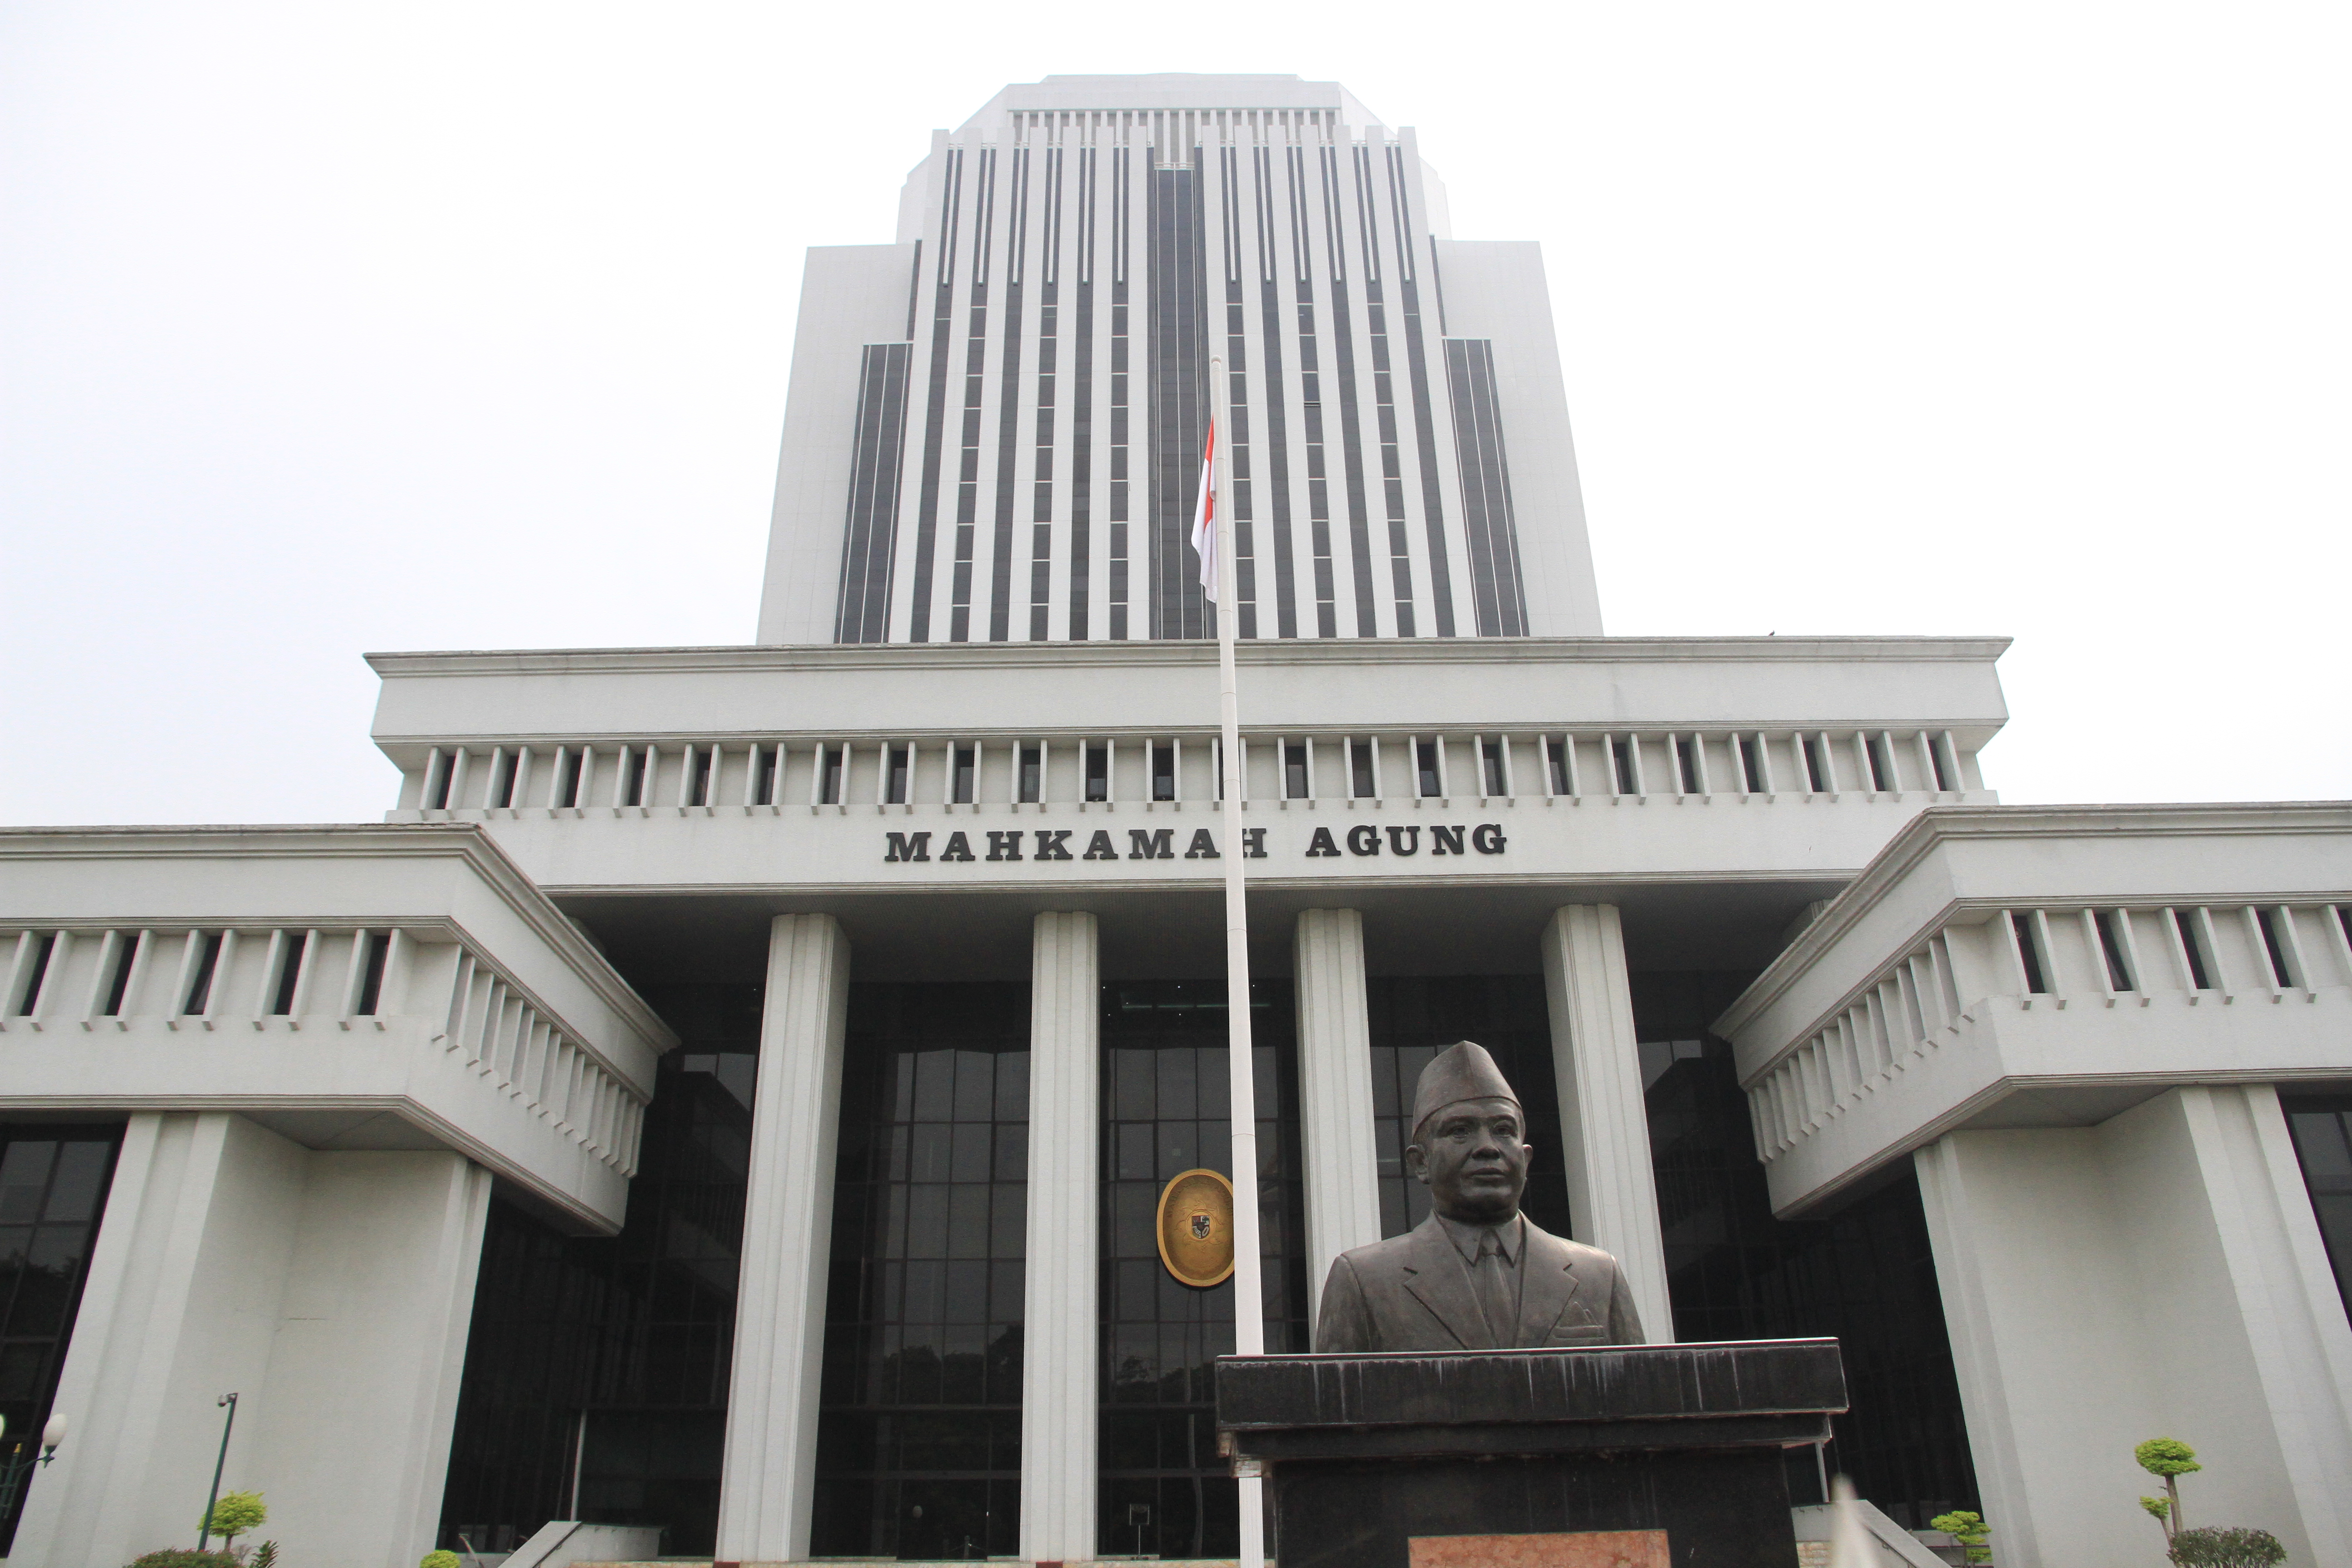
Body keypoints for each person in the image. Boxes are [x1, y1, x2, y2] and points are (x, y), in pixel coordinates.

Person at [1313, 1040, 1646, 1352]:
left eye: (1504, 1130)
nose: (1488, 1148)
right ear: (1420, 1162)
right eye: (1460, 1131)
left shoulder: (1599, 1276)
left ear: (1526, 1159)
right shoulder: (1364, 1280)